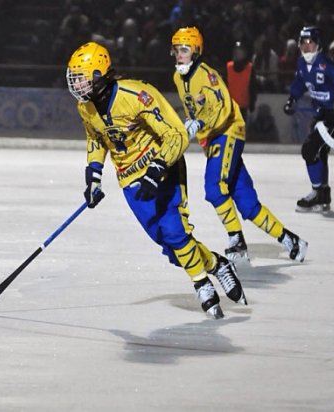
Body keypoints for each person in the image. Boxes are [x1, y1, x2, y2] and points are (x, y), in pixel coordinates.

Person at [67, 41, 245, 319]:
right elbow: (96, 138)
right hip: (130, 180)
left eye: (81, 78)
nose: (76, 85)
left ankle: (201, 285)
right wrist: (94, 177)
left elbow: (176, 134)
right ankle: (215, 263)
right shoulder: (86, 108)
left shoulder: (136, 94)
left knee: (175, 231)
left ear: (99, 75)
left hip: (163, 166)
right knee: (169, 244)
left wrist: (157, 168)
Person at [170, 27, 308, 265]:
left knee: (214, 188)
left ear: (196, 51)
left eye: (184, 49)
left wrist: (200, 122)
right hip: (213, 138)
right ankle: (291, 241)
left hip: (227, 131)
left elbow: (221, 107)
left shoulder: (206, 75)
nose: (179, 55)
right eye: (176, 50)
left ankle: (237, 240)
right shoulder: (177, 78)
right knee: (247, 204)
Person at [283, 26, 334, 213]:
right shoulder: (300, 64)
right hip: (320, 113)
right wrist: (291, 99)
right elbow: (298, 83)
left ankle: (316, 192)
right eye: (303, 43)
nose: (306, 47)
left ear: (318, 45)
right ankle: (323, 194)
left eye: (310, 43)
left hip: (333, 114)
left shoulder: (325, 64)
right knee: (320, 152)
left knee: (310, 149)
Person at [225, 40, 257, 121]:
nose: (237, 53)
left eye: (240, 51)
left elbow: (253, 88)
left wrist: (251, 106)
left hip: (243, 108)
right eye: (235, 51)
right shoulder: (228, 67)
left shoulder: (250, 68)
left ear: (245, 53)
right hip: (230, 108)